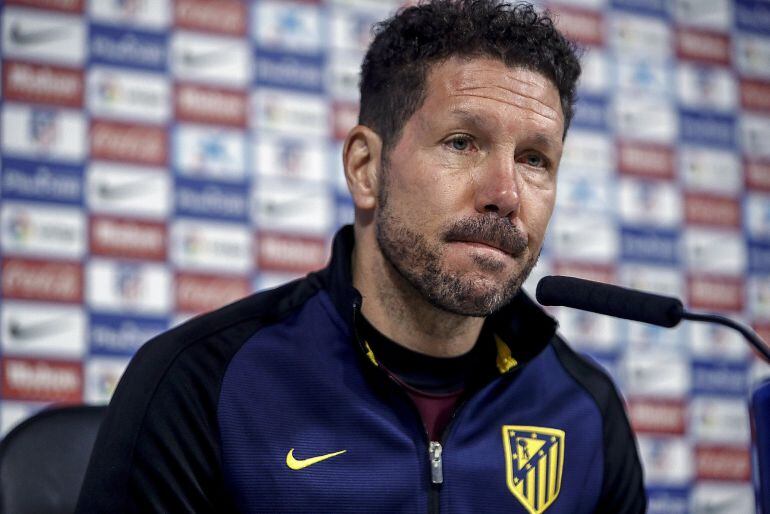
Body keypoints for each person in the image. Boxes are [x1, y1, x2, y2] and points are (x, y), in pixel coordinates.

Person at [77, 1, 646, 512]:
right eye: (462, 143)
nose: (505, 193)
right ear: (365, 169)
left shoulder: (586, 410)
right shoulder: (202, 384)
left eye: (535, 159)